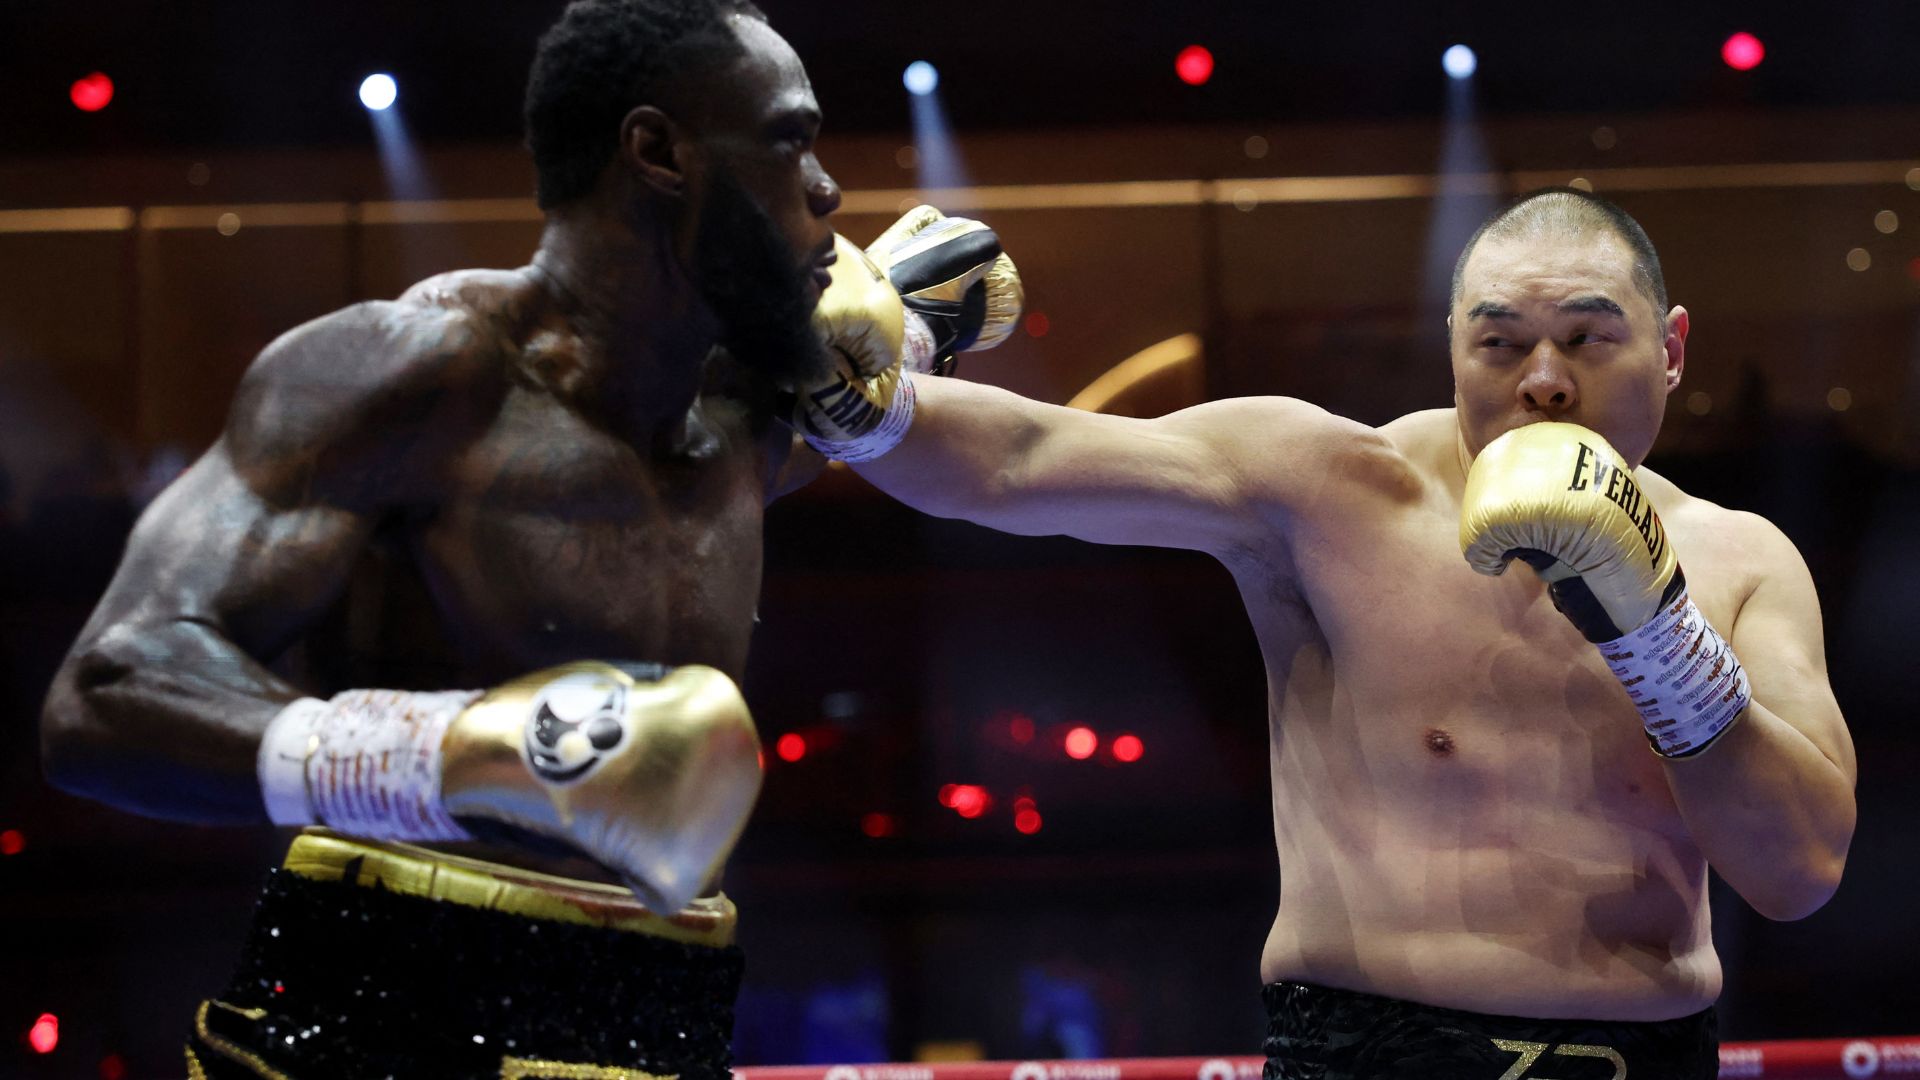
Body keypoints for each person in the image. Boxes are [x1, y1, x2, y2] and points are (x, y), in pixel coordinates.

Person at [37, 1, 1016, 1076]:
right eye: (790, 140)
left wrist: (910, 321)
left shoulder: (748, 416)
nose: (828, 187)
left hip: (665, 1020)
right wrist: (444, 754)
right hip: (378, 1025)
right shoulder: (418, 375)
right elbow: (107, 691)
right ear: (656, 151)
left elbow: (874, 348)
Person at [791, 188, 1857, 1079]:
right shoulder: (1327, 488)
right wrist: (864, 385)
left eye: (1587, 337)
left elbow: (1800, 871)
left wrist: (1657, 633)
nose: (1542, 378)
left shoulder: (1742, 562)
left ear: (1670, 350)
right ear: (1453, 350)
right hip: (1365, 1048)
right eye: (1501, 342)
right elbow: (1018, 460)